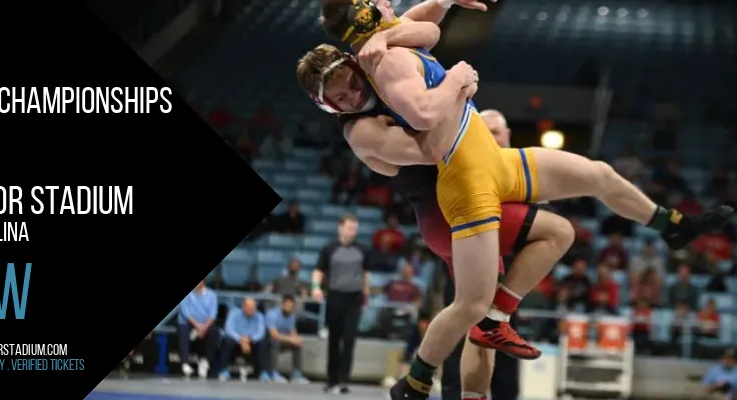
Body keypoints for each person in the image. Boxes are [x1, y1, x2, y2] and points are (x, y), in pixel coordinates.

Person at [298, 2, 734, 398]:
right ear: (331, 108)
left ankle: (672, 225)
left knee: (597, 177)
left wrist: (425, 13)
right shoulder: (363, 128)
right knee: (476, 301)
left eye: (350, 84)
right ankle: (418, 380)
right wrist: (456, 81)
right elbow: (430, 142)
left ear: (354, 63)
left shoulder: (380, 55)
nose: (353, 96)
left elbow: (424, 30)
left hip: (489, 167)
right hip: (453, 202)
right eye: (340, 98)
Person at [327, 103, 571, 399]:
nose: (492, 136)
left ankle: (433, 383)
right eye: (487, 131)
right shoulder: (461, 157)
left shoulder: (523, 169)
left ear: (507, 133)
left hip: (510, 271)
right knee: (467, 322)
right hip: (465, 248)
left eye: (496, 131)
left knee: (497, 333)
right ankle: (443, 389)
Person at [311, 214, 369, 393]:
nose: (353, 231)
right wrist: (316, 287)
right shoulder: (330, 248)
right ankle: (332, 379)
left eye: (355, 228)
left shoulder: (362, 249)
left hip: (354, 299)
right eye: (350, 227)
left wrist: (366, 295)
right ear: (341, 228)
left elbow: (365, 274)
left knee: (350, 339)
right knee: (334, 339)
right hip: (335, 296)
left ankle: (344, 379)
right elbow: (318, 270)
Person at [177, 280, 220, 380]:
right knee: (183, 329)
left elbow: (213, 315)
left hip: (206, 324)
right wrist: (198, 327)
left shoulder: (212, 295)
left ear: (203, 282)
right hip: (189, 323)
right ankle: (185, 363)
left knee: (215, 333)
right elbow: (186, 313)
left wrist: (204, 327)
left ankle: (205, 362)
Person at [218, 297, 268, 382]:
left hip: (251, 342)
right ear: (243, 306)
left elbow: (261, 332)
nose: (251, 310)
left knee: (263, 342)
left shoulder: (259, 316)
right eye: (249, 308)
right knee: (227, 341)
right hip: (236, 341)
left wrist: (249, 339)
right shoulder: (234, 313)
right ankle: (223, 371)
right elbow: (228, 329)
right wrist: (241, 339)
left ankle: (263, 372)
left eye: (253, 308)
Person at [265, 295, 309, 384]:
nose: (288, 307)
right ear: (282, 304)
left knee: (297, 345)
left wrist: (297, 339)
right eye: (287, 305)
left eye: (291, 306)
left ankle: (296, 374)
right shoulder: (272, 314)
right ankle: (273, 373)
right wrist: (290, 339)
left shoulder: (291, 317)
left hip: (282, 340)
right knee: (275, 342)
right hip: (267, 342)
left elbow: (292, 332)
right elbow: (274, 334)